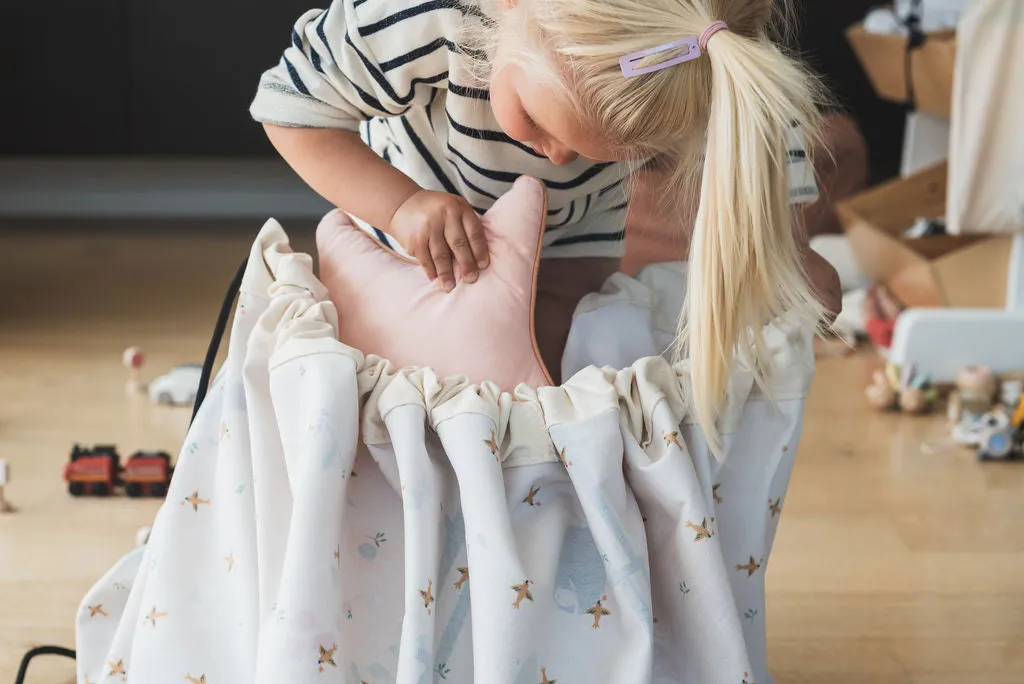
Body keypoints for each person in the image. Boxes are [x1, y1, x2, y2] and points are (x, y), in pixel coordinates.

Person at [251, 0, 838, 448]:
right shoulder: (428, 15)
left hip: (574, 230)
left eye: (600, 154)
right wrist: (403, 206)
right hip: (418, 236)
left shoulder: (696, 45)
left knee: (549, 384)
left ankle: (533, 509)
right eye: (536, 120)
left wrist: (787, 246)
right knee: (410, 396)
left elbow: (759, 116)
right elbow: (290, 105)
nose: (558, 157)